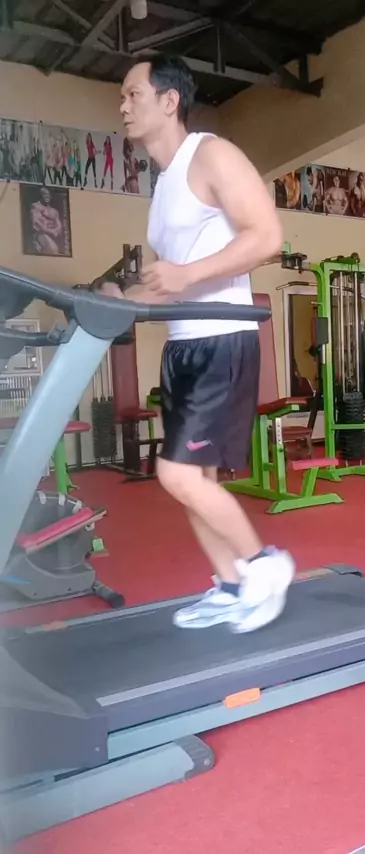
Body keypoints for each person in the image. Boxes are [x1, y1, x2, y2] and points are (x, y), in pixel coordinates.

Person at [101, 56, 295, 633]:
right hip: (183, 346)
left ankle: (265, 565)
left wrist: (186, 275)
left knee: (177, 475)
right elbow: (169, 282)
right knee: (196, 481)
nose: (123, 106)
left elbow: (267, 235)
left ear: (169, 101)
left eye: (133, 94)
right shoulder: (163, 186)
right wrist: (122, 299)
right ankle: (232, 586)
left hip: (221, 338)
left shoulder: (210, 154)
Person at [29, 187, 63, 255]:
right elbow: (36, 223)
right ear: (41, 196)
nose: (47, 196)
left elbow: (59, 226)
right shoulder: (36, 207)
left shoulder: (54, 211)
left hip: (53, 235)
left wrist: (54, 231)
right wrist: (50, 231)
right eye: (45, 194)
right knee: (53, 250)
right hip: (40, 234)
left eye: (48, 195)